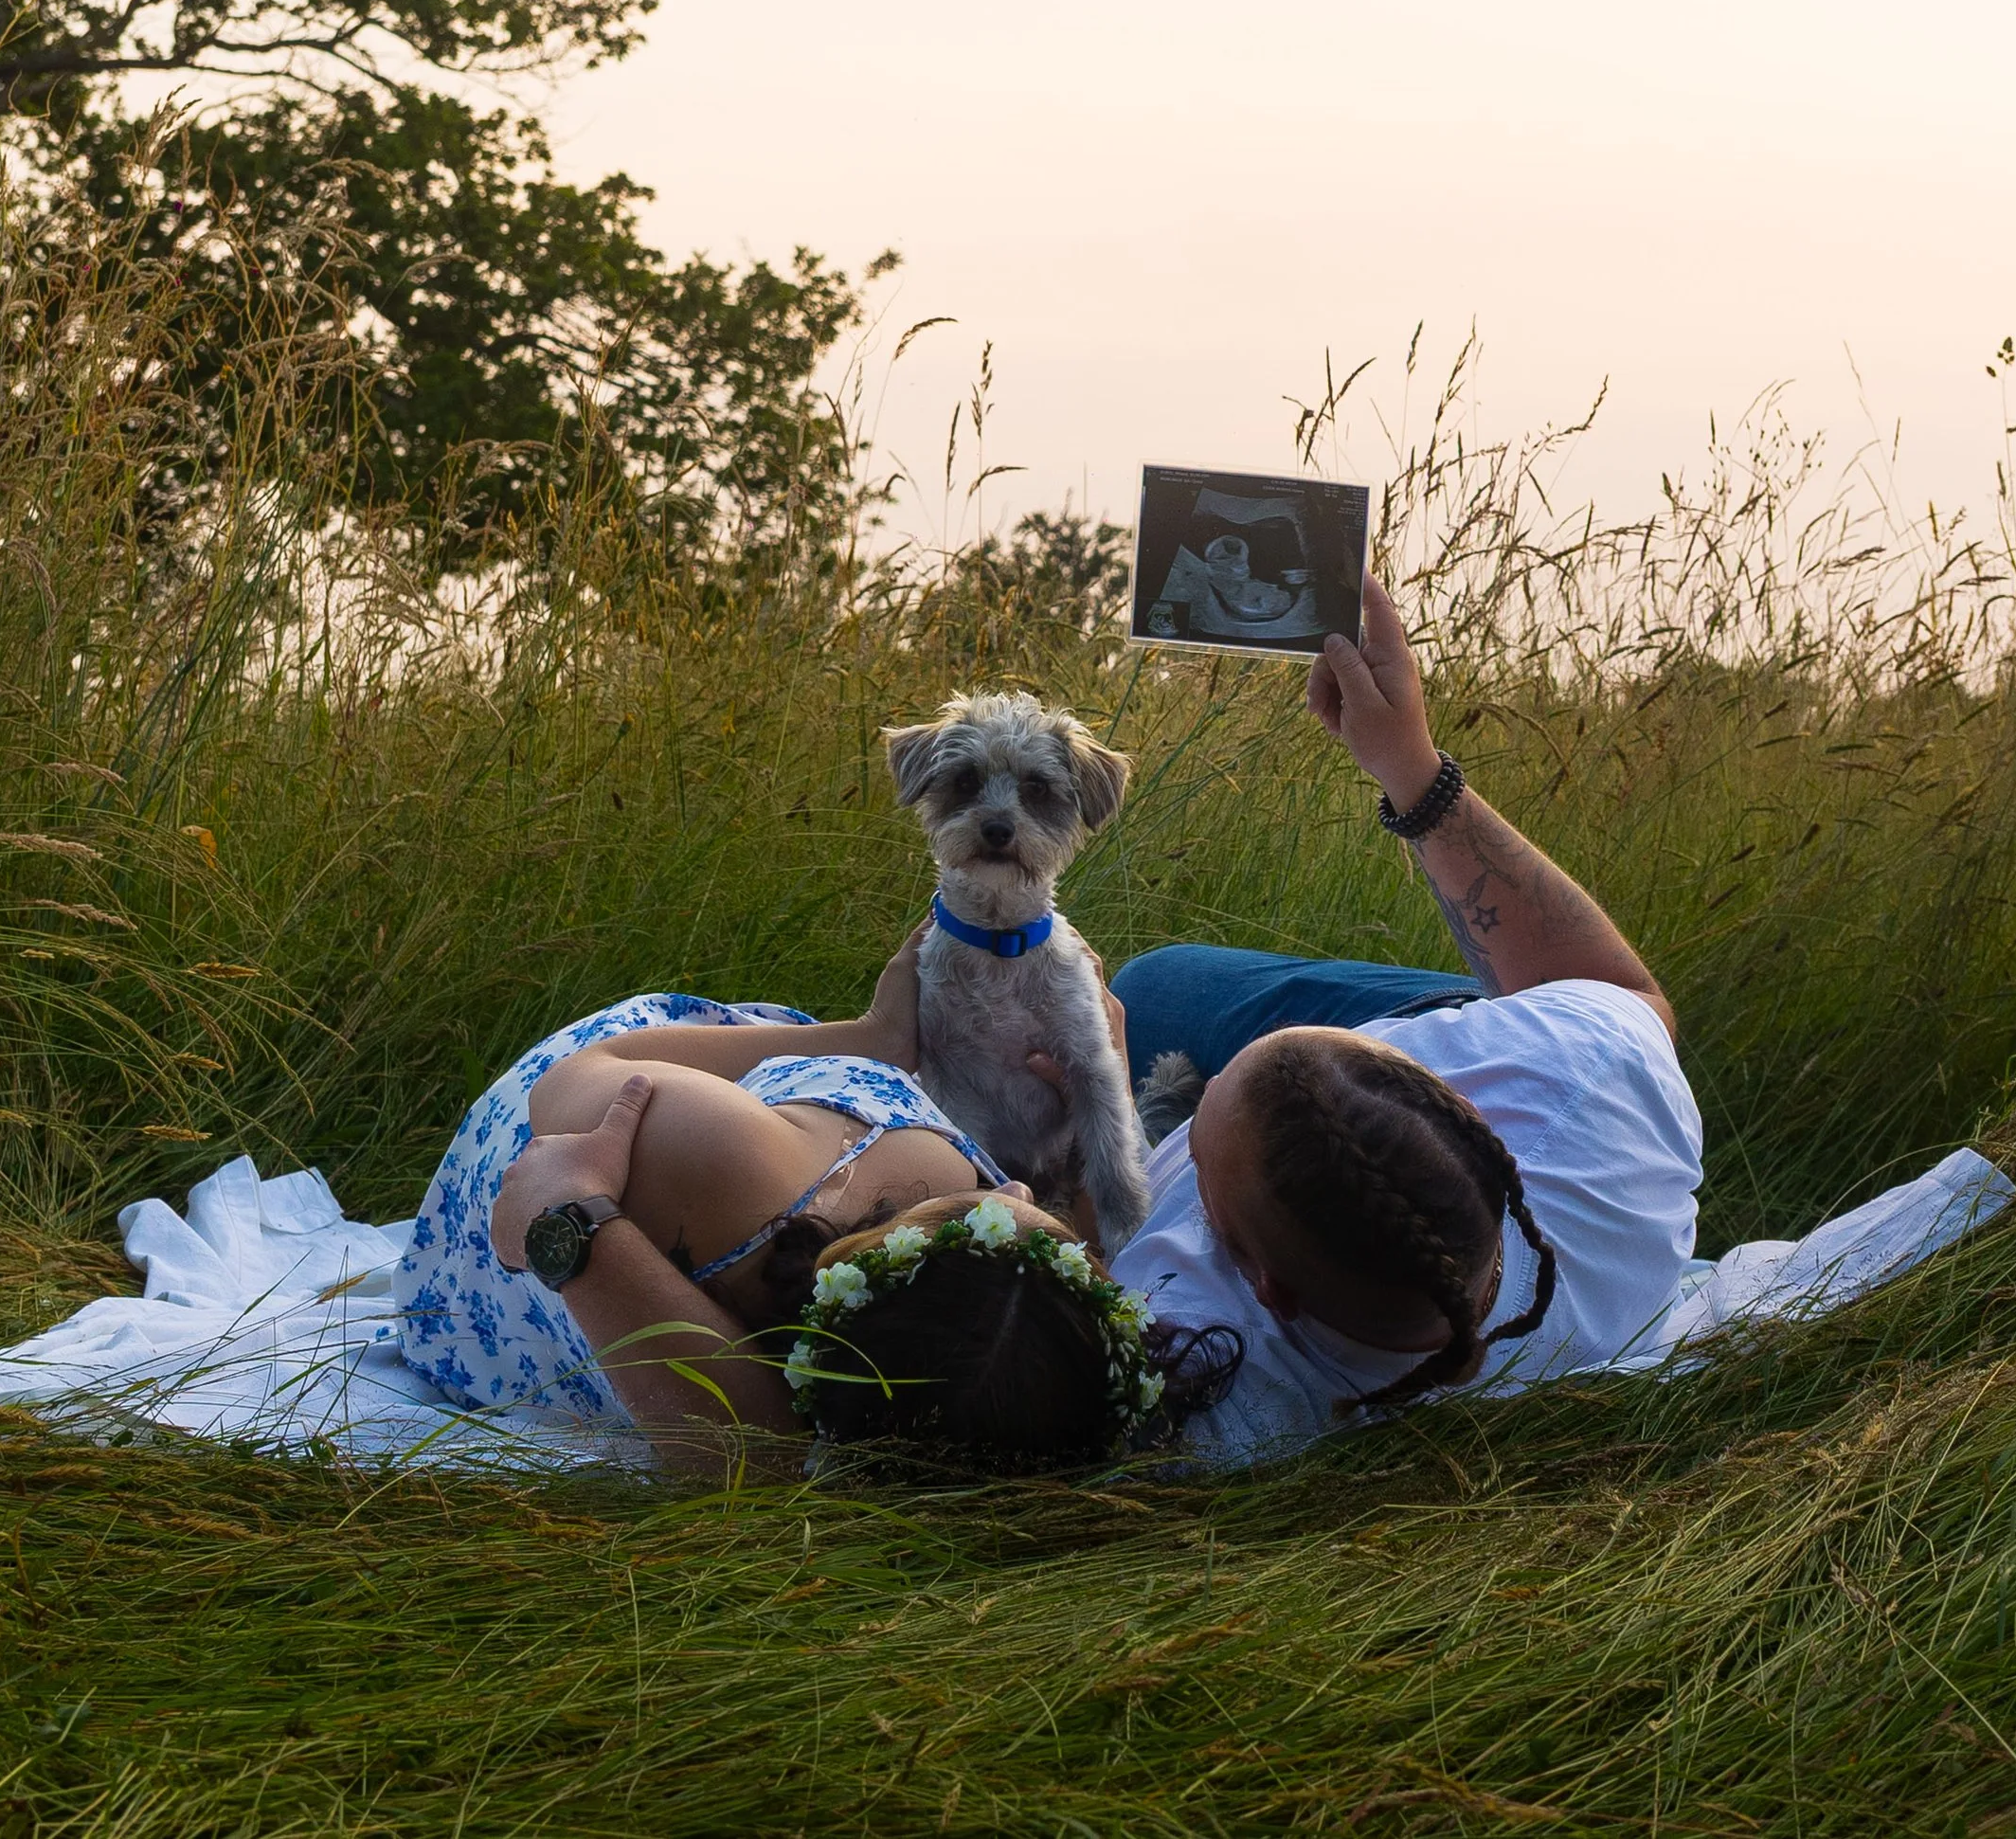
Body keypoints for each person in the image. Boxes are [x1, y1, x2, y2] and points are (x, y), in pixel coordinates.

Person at [1106, 572, 1703, 1462]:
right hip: (1549, 1094)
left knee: (1151, 990)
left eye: (1193, 1147)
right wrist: (1413, 769)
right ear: (1461, 1102)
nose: (1212, 1083)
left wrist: (1085, 1166)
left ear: (1266, 1288)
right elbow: (1626, 1000)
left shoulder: (1181, 1340)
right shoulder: (1591, 1091)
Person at [396, 946, 1233, 1471]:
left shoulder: (723, 1163)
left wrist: (870, 1037)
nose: (1012, 1189)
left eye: (980, 1216)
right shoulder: (875, 1415)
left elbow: (574, 1078)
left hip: (533, 1171)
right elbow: (1047, 1308)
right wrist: (1101, 1094)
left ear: (890, 1277)